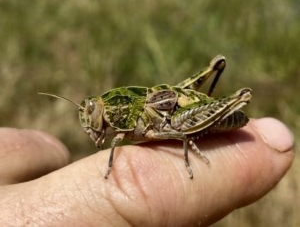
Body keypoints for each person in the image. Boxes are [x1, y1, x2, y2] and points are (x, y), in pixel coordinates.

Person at [0, 118, 294, 226]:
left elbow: (172, 128)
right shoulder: (123, 124)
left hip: (198, 119)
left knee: (173, 127)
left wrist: (189, 158)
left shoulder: (139, 119)